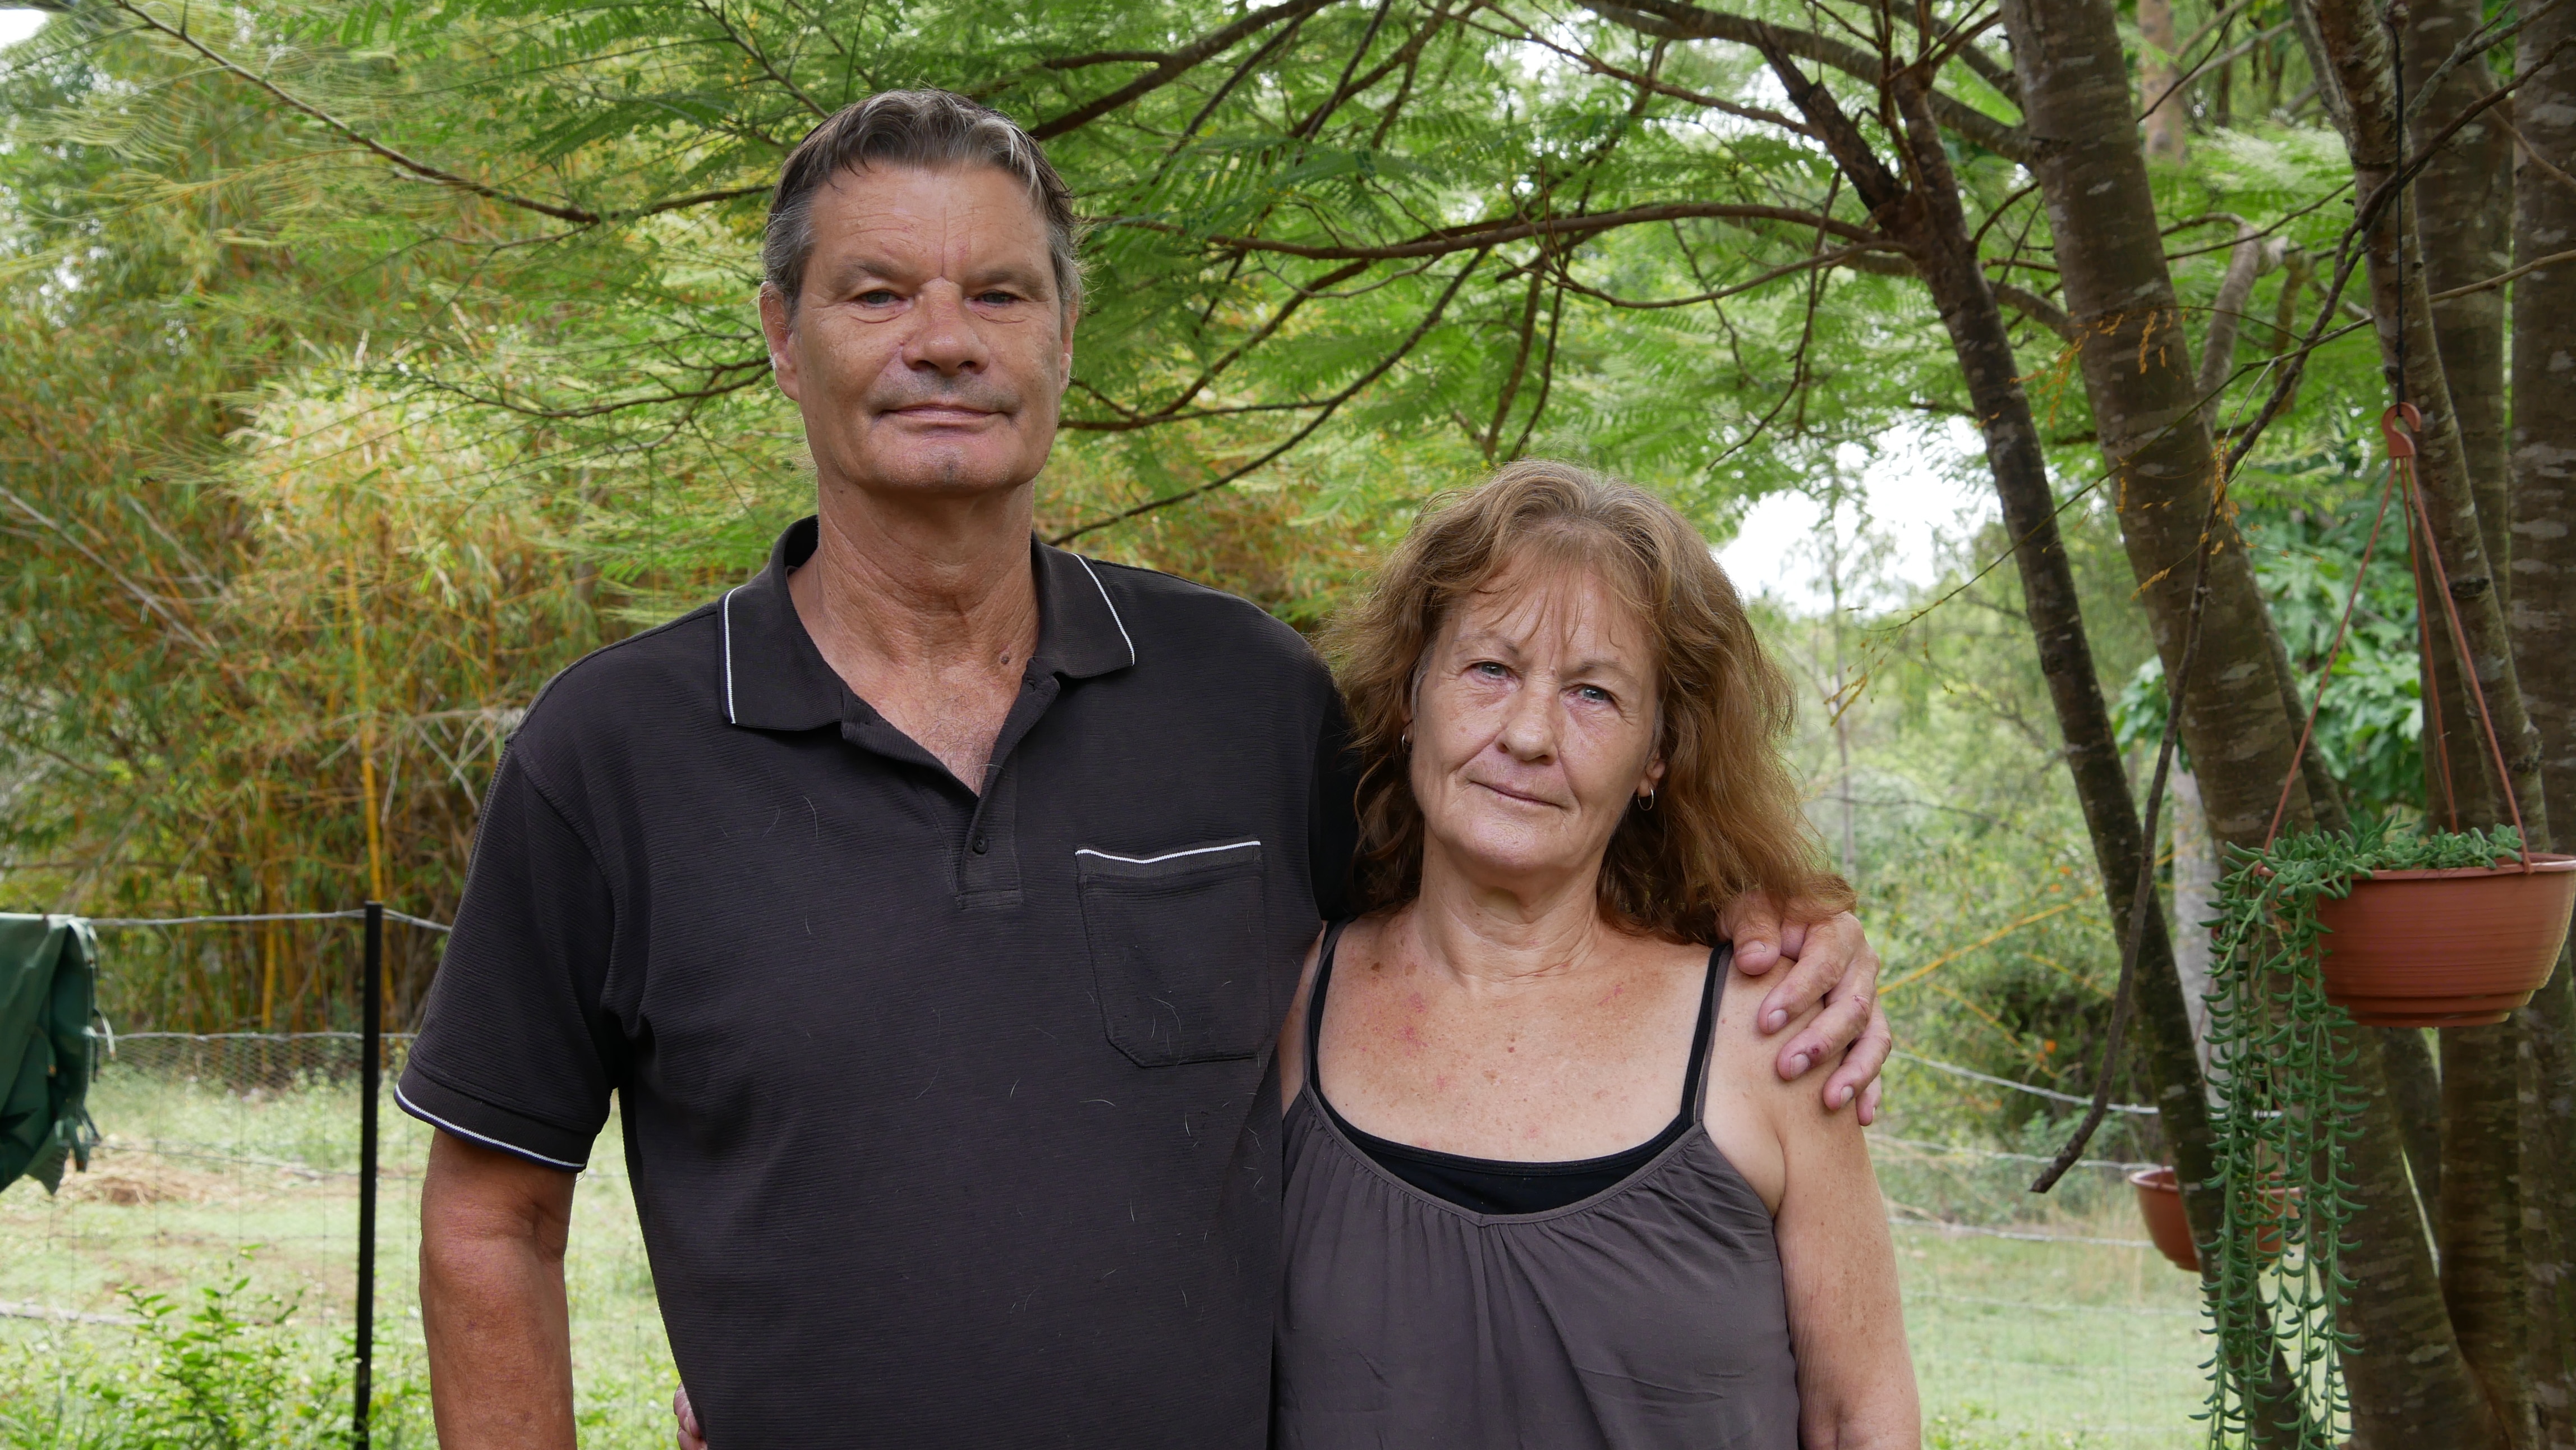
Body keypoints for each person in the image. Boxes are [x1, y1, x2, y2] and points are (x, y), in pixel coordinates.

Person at [403, 89, 1890, 1449]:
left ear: (1063, 338)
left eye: (999, 291)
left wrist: (1782, 919)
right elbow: (493, 1220)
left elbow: (1511, 874)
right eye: (877, 293)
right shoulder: (612, 755)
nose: (944, 339)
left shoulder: (1244, 698)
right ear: (786, 336)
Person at [1273, 462, 1917, 1448]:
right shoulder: (1281, 1005)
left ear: (1659, 754)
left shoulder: (1771, 1033)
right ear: (1412, 696)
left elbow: (1860, 1418)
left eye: (1594, 694)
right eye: (1490, 670)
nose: (1529, 734)